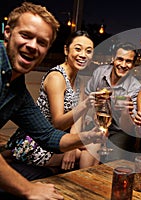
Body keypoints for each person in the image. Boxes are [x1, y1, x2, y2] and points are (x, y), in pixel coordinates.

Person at [0, 2, 106, 199]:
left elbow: (49, 136)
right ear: (7, 32)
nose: (32, 46)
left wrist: (86, 137)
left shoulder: (17, 88)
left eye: (42, 42)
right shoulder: (56, 76)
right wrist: (28, 189)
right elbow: (57, 122)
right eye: (26, 35)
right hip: (30, 148)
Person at [6, 30, 99, 172]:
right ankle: (79, 189)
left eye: (88, 51)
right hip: (36, 141)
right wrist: (85, 105)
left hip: (59, 138)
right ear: (66, 50)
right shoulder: (57, 77)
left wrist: (72, 146)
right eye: (78, 49)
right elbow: (57, 123)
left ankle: (87, 188)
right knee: (88, 151)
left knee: (95, 145)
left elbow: (76, 119)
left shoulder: (79, 79)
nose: (83, 55)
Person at [85, 42, 141, 162]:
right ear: (113, 59)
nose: (123, 65)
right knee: (87, 152)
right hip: (97, 124)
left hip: (119, 131)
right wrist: (92, 119)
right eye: (120, 59)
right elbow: (86, 98)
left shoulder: (135, 87)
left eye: (128, 61)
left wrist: (126, 112)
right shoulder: (99, 73)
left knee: (112, 158)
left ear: (133, 65)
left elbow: (129, 129)